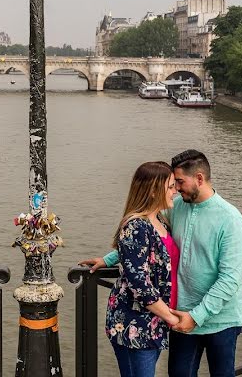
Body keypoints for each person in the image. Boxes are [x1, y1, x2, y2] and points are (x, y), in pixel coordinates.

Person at [80, 150, 242, 377]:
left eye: (180, 182)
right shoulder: (176, 207)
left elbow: (229, 280)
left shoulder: (231, 220)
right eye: (173, 184)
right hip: (180, 313)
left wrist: (196, 316)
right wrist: (108, 259)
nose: (176, 189)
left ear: (199, 178)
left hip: (220, 319)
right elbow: (146, 241)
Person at [105, 161, 181, 376]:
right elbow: (139, 282)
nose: (175, 191)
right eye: (171, 186)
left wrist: (108, 259)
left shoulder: (160, 221)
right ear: (154, 189)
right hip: (133, 322)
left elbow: (141, 256)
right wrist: (171, 317)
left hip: (153, 321)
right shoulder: (135, 225)